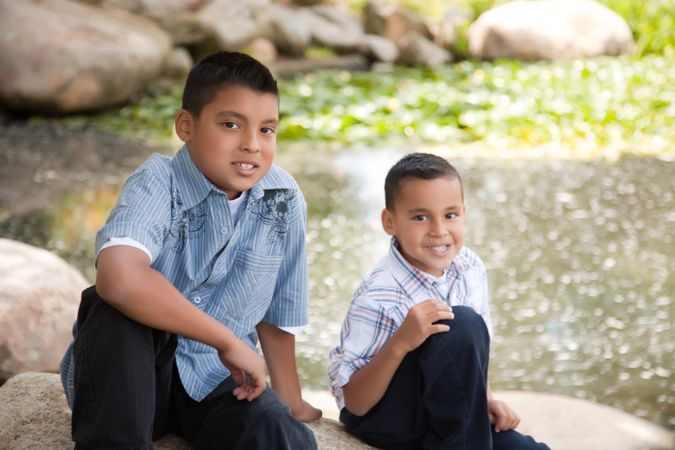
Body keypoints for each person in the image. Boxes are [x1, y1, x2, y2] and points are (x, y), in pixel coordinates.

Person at [59, 51, 321, 450]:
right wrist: (228, 342)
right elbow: (119, 276)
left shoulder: (282, 199)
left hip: (217, 381)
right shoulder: (157, 181)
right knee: (110, 304)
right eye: (231, 125)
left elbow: (278, 314)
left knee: (279, 430)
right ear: (186, 125)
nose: (252, 145)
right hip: (133, 382)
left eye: (267, 129)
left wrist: (291, 402)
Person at [328, 153, 550, 449]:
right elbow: (355, 404)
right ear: (389, 221)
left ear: (464, 213)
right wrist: (401, 342)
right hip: (389, 418)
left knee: (526, 448)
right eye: (420, 217)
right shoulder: (380, 293)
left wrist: (485, 400)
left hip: (445, 411)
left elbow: (469, 355)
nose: (439, 230)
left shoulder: (469, 267)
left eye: (450, 215)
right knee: (461, 323)